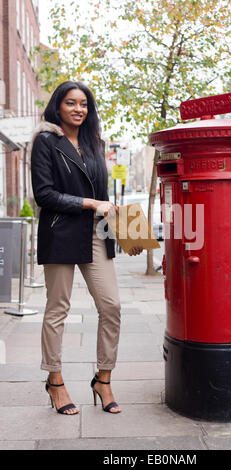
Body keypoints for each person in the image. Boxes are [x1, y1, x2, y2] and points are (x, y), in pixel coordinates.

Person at [31, 81, 143, 415]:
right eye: (71, 103)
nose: (78, 109)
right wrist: (90, 203)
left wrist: (129, 234)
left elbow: (105, 199)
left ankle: (103, 379)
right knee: (57, 309)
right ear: (58, 106)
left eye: (84, 104)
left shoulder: (96, 144)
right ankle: (55, 380)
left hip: (96, 233)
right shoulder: (46, 142)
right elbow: (45, 195)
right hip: (61, 232)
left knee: (112, 306)